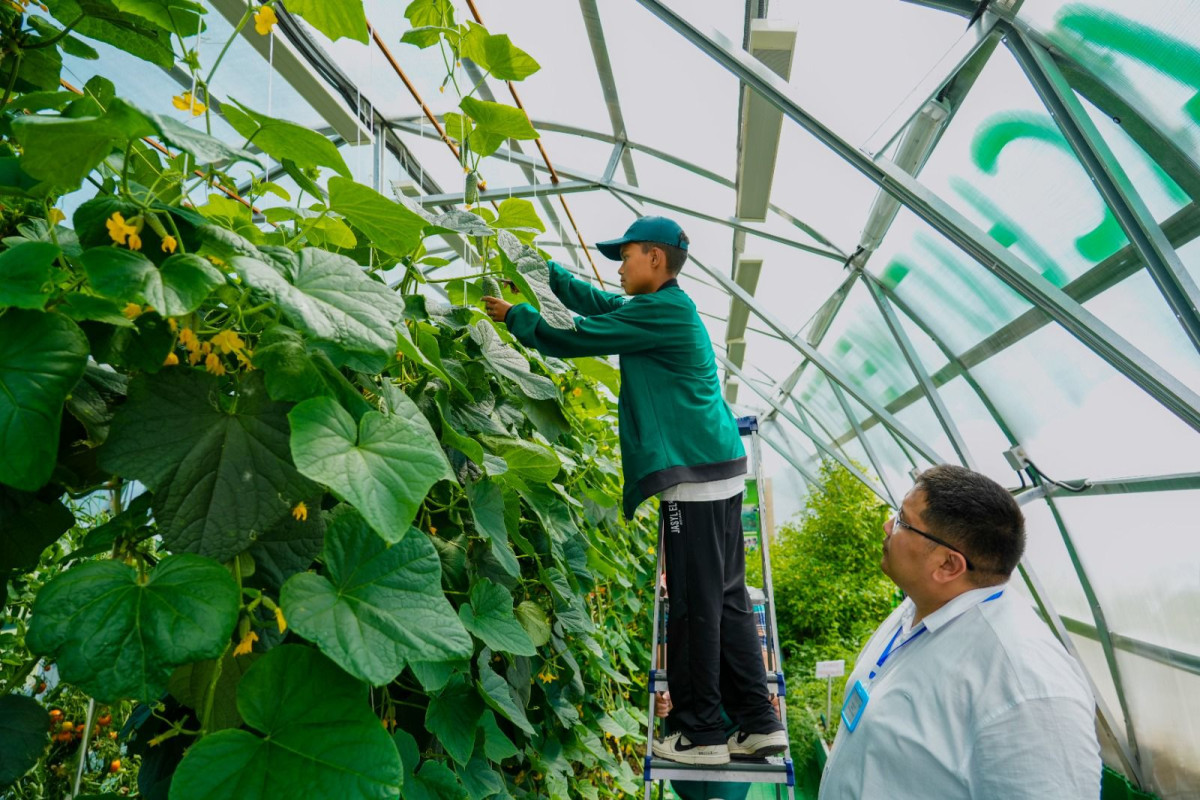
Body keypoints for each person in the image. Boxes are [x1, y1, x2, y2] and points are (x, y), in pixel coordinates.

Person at [484, 216, 786, 765]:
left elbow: (574, 335)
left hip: (692, 478)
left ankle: (702, 734)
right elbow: (602, 307)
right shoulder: (664, 308)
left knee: (693, 606)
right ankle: (758, 722)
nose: (618, 266)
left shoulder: (662, 312)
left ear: (654, 258)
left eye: (625, 256)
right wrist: (545, 274)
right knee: (726, 600)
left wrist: (518, 317)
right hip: (717, 467)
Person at [819, 465, 1100, 799]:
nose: (887, 526)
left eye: (903, 522)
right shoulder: (920, 606)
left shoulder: (1024, 682)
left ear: (948, 565)